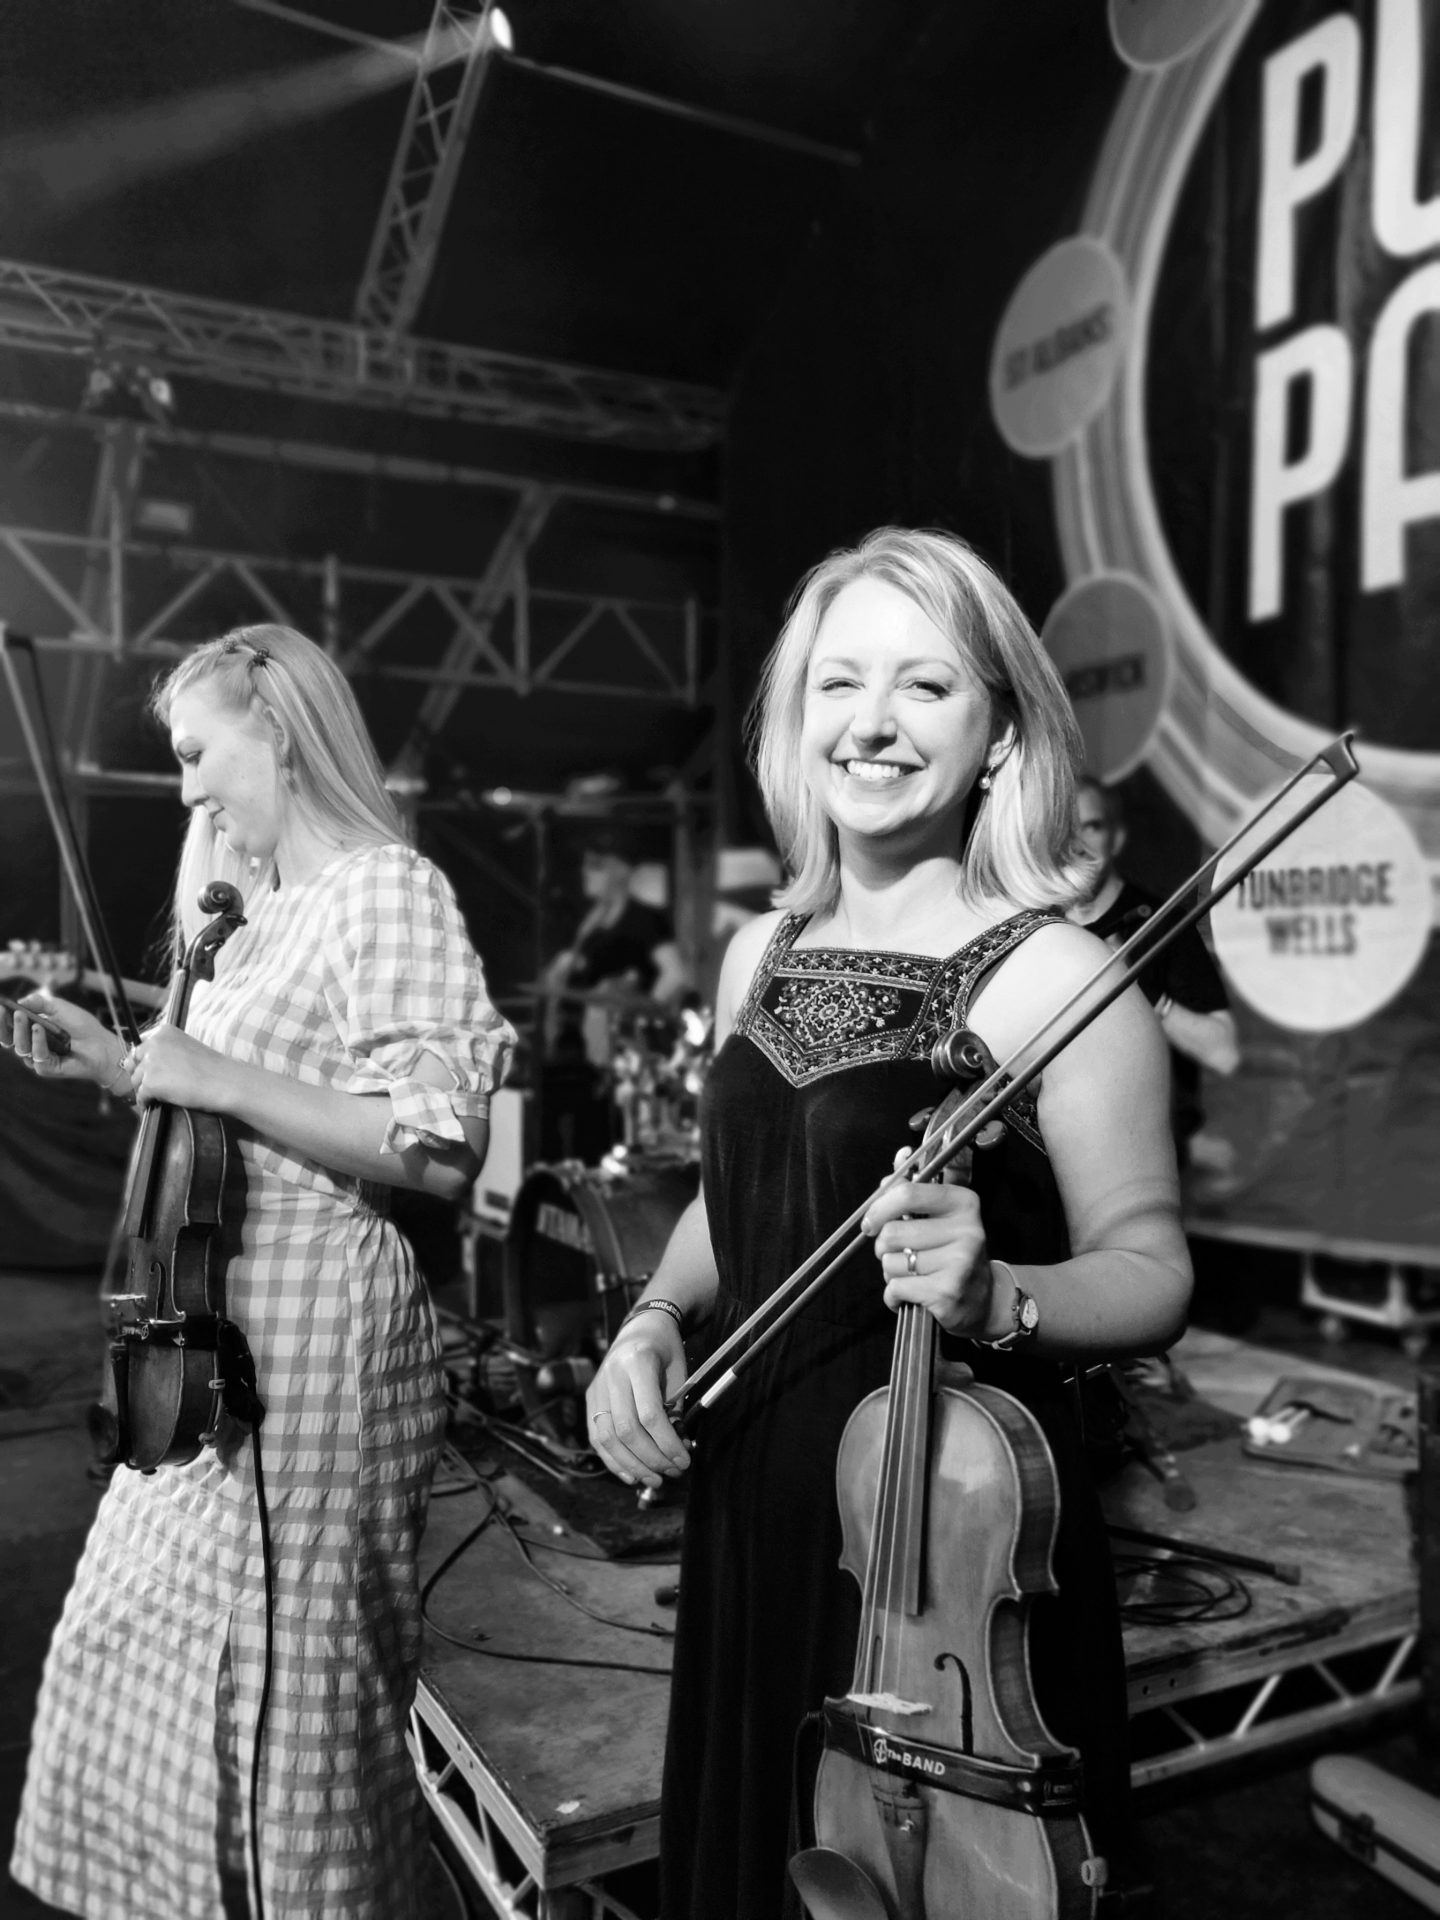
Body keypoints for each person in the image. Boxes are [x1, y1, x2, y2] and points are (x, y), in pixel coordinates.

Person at [584, 528, 1192, 1919]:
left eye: (925, 687)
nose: (872, 723)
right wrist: (652, 1320)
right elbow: (736, 1202)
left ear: (996, 736)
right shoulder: (766, 945)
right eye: (837, 685)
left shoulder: (1057, 974)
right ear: (796, 725)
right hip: (757, 1509)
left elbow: (1153, 1270)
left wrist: (1001, 1299)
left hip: (947, 1552)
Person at [2, 624, 515, 1920]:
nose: (182, 787)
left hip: (318, 1346)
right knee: (136, 1665)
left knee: (302, 1715)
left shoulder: (385, 889)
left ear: (275, 729)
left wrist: (206, 1069)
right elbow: (237, 1130)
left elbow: (441, 1144)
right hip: (219, 1339)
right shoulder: (274, 915)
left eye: (192, 752)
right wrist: (119, 1064)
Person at [1067, 774, 1239, 1166]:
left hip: (1146, 1148)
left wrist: (1144, 995)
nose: (1075, 844)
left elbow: (1222, 1052)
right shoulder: (1037, 926)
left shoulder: (1163, 925)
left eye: (1091, 827)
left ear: (1117, 838)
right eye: (1062, 830)